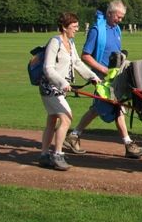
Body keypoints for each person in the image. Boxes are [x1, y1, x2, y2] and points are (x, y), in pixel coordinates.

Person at [65, 0, 142, 158]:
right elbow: (85, 56)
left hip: (115, 76)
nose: (120, 20)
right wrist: (103, 70)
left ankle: (73, 136)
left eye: (122, 17)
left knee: (98, 109)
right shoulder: (96, 30)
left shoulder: (117, 29)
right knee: (117, 108)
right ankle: (128, 144)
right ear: (109, 13)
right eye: (118, 17)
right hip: (102, 78)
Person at [38, 13, 100, 171]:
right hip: (50, 88)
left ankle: (44, 155)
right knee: (66, 118)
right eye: (74, 27)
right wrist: (63, 83)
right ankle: (57, 155)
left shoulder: (70, 42)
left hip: (60, 88)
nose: (77, 30)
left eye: (77, 26)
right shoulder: (54, 42)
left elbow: (77, 63)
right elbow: (48, 68)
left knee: (52, 120)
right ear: (64, 28)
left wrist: (93, 77)